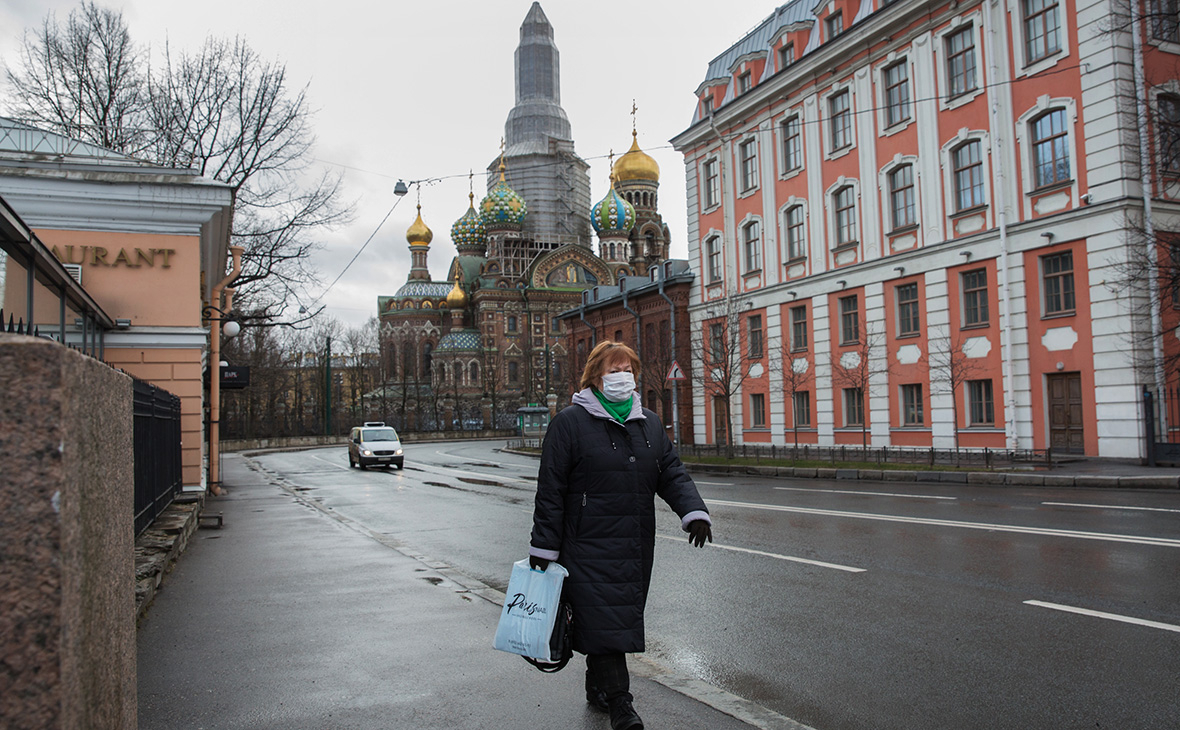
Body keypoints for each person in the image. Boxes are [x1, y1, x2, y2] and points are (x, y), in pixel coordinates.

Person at [528, 341, 713, 730]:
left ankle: (598, 687)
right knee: (606, 623)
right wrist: (544, 548)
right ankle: (621, 705)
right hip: (585, 546)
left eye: (629, 367)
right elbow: (551, 491)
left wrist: (693, 512)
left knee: (613, 622)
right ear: (596, 375)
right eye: (616, 368)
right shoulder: (570, 424)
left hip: (634, 545)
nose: (624, 374)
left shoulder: (648, 422)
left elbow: (671, 472)